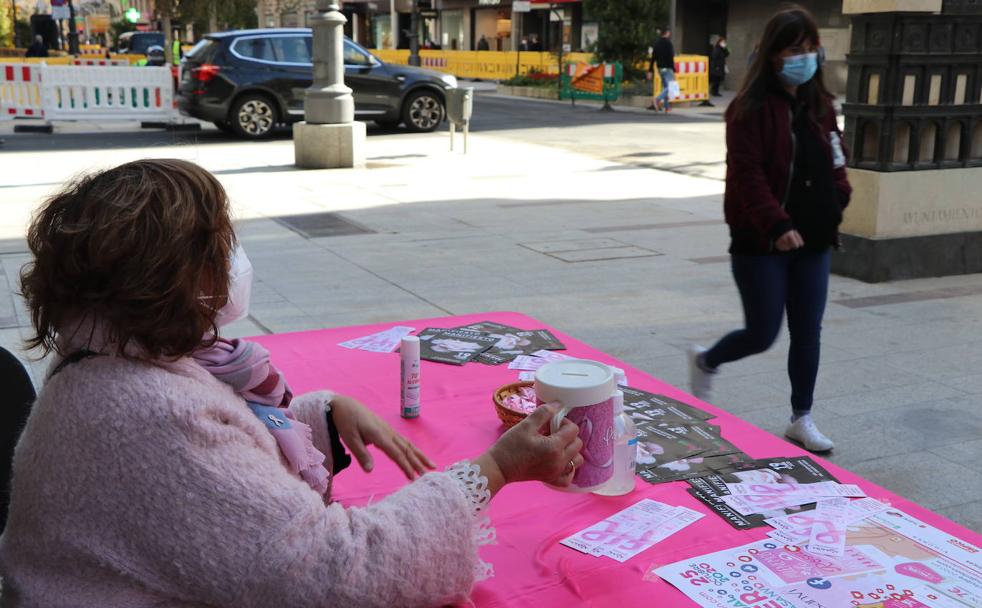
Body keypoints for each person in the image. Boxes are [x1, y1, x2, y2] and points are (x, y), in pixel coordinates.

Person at [0, 159, 585, 607]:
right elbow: (339, 569)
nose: (232, 261)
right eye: (219, 245)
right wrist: (497, 470)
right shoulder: (145, 411)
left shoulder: (110, 360)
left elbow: (221, 468)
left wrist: (323, 420)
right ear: (172, 278)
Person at [687, 6, 851, 453]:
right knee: (762, 333)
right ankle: (707, 360)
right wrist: (776, 224)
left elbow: (837, 157)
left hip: (814, 239)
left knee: (808, 331)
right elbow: (746, 174)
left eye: (810, 48)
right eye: (794, 50)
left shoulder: (821, 107)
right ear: (774, 56)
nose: (805, 57)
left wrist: (840, 196)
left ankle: (803, 416)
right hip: (761, 240)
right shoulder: (749, 109)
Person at [648, 27, 676, 112]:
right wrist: (673, 68)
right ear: (667, 33)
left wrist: (650, 70)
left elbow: (653, 58)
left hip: (660, 68)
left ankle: (667, 107)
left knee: (665, 87)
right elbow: (671, 57)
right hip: (668, 68)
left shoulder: (656, 43)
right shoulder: (668, 43)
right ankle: (657, 99)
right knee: (670, 87)